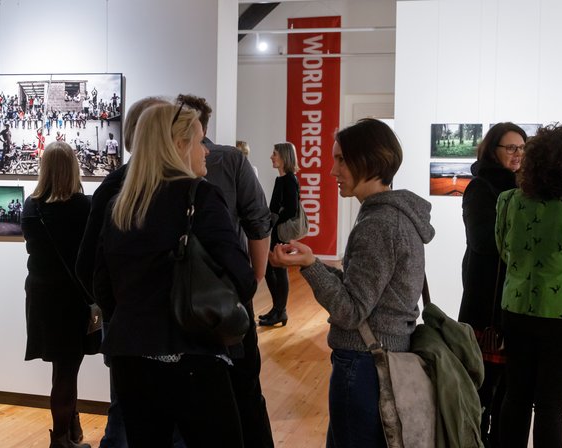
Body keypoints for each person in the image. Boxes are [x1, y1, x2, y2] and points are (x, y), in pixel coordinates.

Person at [93, 103, 255, 447]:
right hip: (193, 355)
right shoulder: (200, 196)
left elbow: (101, 286)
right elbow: (242, 277)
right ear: (178, 146)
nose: (206, 150)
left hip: (131, 358)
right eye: (198, 141)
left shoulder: (119, 204)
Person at [269, 118, 434, 448]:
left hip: (364, 365)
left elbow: (351, 311)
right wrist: (312, 261)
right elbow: (365, 293)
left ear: (369, 161)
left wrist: (311, 268)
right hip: (381, 359)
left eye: (341, 159)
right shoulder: (395, 216)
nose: (333, 171)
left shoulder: (378, 224)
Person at [76, 96, 180, 448]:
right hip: (151, 329)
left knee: (128, 411)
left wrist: (115, 309)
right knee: (133, 415)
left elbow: (88, 266)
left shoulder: (118, 185)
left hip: (135, 327)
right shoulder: (124, 187)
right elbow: (89, 264)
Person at [179, 93, 274, 448]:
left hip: (194, 300)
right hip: (225, 294)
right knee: (242, 388)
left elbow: (258, 221)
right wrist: (252, 280)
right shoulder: (230, 161)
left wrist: (254, 280)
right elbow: (258, 221)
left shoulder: (226, 161)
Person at [495, 123, 562, 448]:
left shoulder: (509, 201)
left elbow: (504, 250)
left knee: (516, 397)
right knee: (551, 406)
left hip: (517, 311)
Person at [21, 141, 95, 448]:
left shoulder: (31, 206)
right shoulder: (84, 206)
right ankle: (62, 439)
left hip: (40, 296)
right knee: (66, 370)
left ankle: (70, 430)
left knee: (62, 368)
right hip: (72, 298)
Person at [458, 122, 527, 447]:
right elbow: (483, 241)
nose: (518, 154)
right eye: (511, 148)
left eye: (522, 148)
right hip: (486, 297)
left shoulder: (527, 189)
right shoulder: (480, 188)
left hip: (516, 298)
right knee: (481, 384)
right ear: (493, 150)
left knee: (510, 387)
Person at [260, 142, 301, 327]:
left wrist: (274, 219)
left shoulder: (289, 180)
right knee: (271, 268)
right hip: (275, 231)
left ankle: (280, 310)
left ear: (284, 157)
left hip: (279, 232)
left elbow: (292, 210)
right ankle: (277, 309)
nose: (271, 156)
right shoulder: (282, 179)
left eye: (274, 153)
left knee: (278, 269)